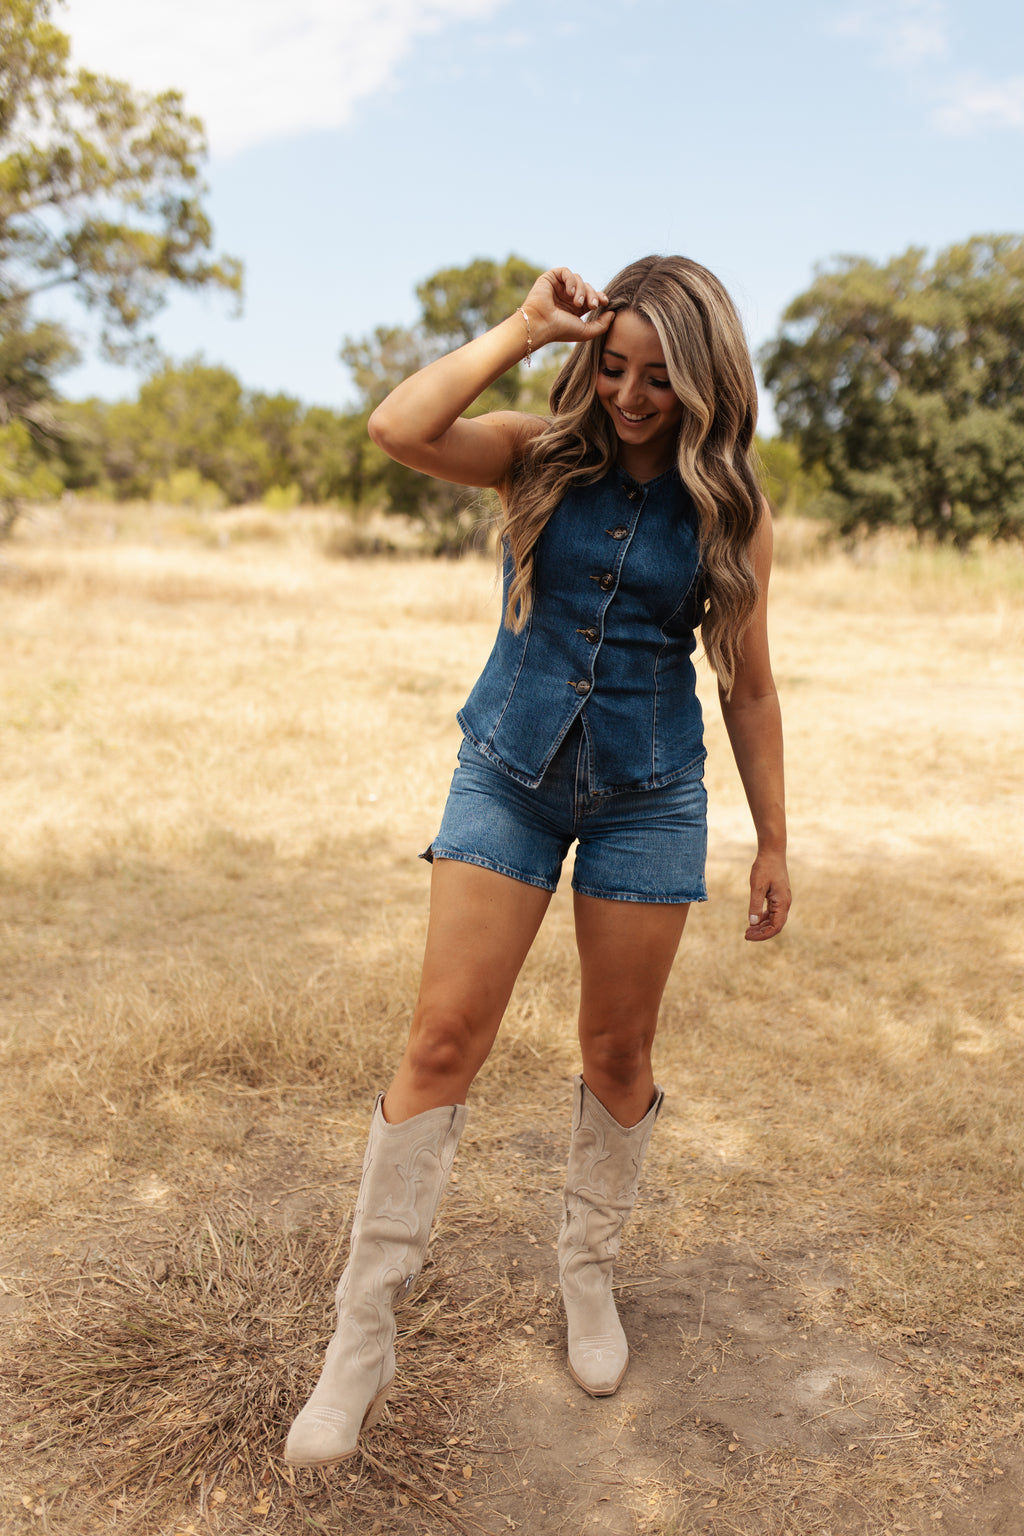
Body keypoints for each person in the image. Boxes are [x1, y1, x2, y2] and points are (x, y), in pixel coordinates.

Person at [284, 257, 791, 1468]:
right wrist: (522, 328)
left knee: (617, 1049)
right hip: (506, 772)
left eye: (658, 378)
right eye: (611, 366)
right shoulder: (534, 451)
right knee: (441, 1041)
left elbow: (749, 682)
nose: (627, 394)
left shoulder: (731, 505)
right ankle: (358, 1346)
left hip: (649, 795)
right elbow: (398, 427)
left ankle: (587, 1276)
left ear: (704, 380)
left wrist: (775, 837)